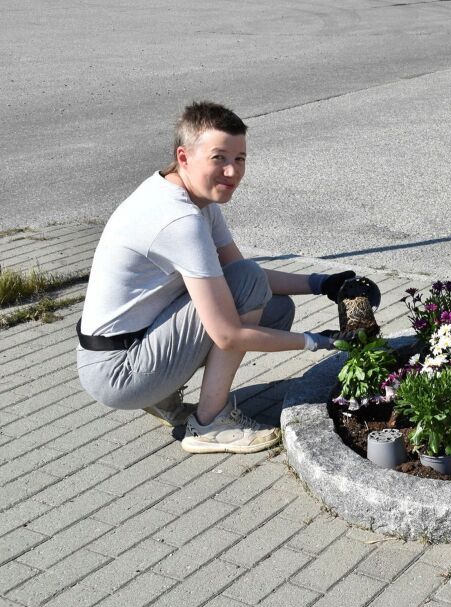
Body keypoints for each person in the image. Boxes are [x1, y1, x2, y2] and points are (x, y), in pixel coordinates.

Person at [76, 101, 364, 454]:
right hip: (118, 371)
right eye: (219, 158)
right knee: (247, 301)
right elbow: (228, 333)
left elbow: (242, 275)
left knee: (273, 309)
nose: (233, 171)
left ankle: (163, 393)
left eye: (240, 158)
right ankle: (210, 423)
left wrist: (324, 284)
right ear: (184, 157)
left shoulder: (188, 196)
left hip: (122, 350)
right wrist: (319, 341)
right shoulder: (179, 220)